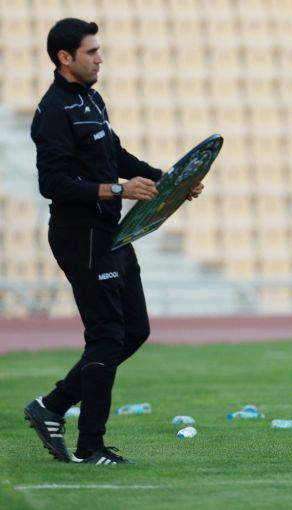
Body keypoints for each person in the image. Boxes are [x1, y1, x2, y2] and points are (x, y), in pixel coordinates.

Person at [24, 18, 203, 465]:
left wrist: (170, 180)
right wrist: (120, 190)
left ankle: (52, 406)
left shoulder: (91, 98)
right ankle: (90, 445)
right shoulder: (53, 111)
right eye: (91, 52)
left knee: (135, 329)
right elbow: (53, 184)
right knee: (105, 336)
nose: (100, 58)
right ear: (65, 58)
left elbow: (115, 156)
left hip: (111, 232)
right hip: (80, 235)